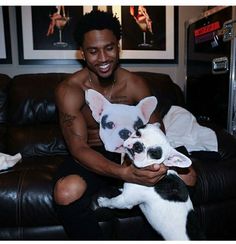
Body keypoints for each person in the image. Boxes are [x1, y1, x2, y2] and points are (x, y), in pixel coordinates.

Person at [53, 10, 197, 240]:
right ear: (82, 52)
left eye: (109, 48)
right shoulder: (70, 90)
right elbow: (78, 148)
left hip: (133, 151)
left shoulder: (135, 83)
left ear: (118, 47)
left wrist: (153, 166)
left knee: (189, 177)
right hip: (92, 153)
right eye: (92, 51)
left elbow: (156, 130)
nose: (102, 58)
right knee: (66, 191)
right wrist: (124, 173)